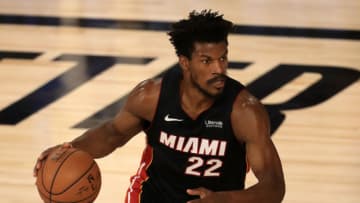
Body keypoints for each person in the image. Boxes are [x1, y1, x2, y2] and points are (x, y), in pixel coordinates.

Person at [34, 10, 285, 203]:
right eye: (206, 61)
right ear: (185, 63)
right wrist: (69, 148)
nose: (218, 69)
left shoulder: (244, 111)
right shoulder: (150, 97)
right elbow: (113, 134)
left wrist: (224, 199)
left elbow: (274, 187)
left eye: (222, 58)